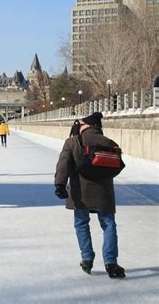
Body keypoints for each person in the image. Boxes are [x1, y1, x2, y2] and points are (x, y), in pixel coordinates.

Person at [54, 112, 126, 279]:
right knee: (108, 225)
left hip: (80, 192)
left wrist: (59, 184)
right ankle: (111, 262)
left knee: (81, 223)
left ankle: (87, 259)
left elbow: (63, 164)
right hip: (104, 192)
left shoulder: (72, 142)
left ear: (86, 126)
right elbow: (118, 165)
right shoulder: (110, 143)